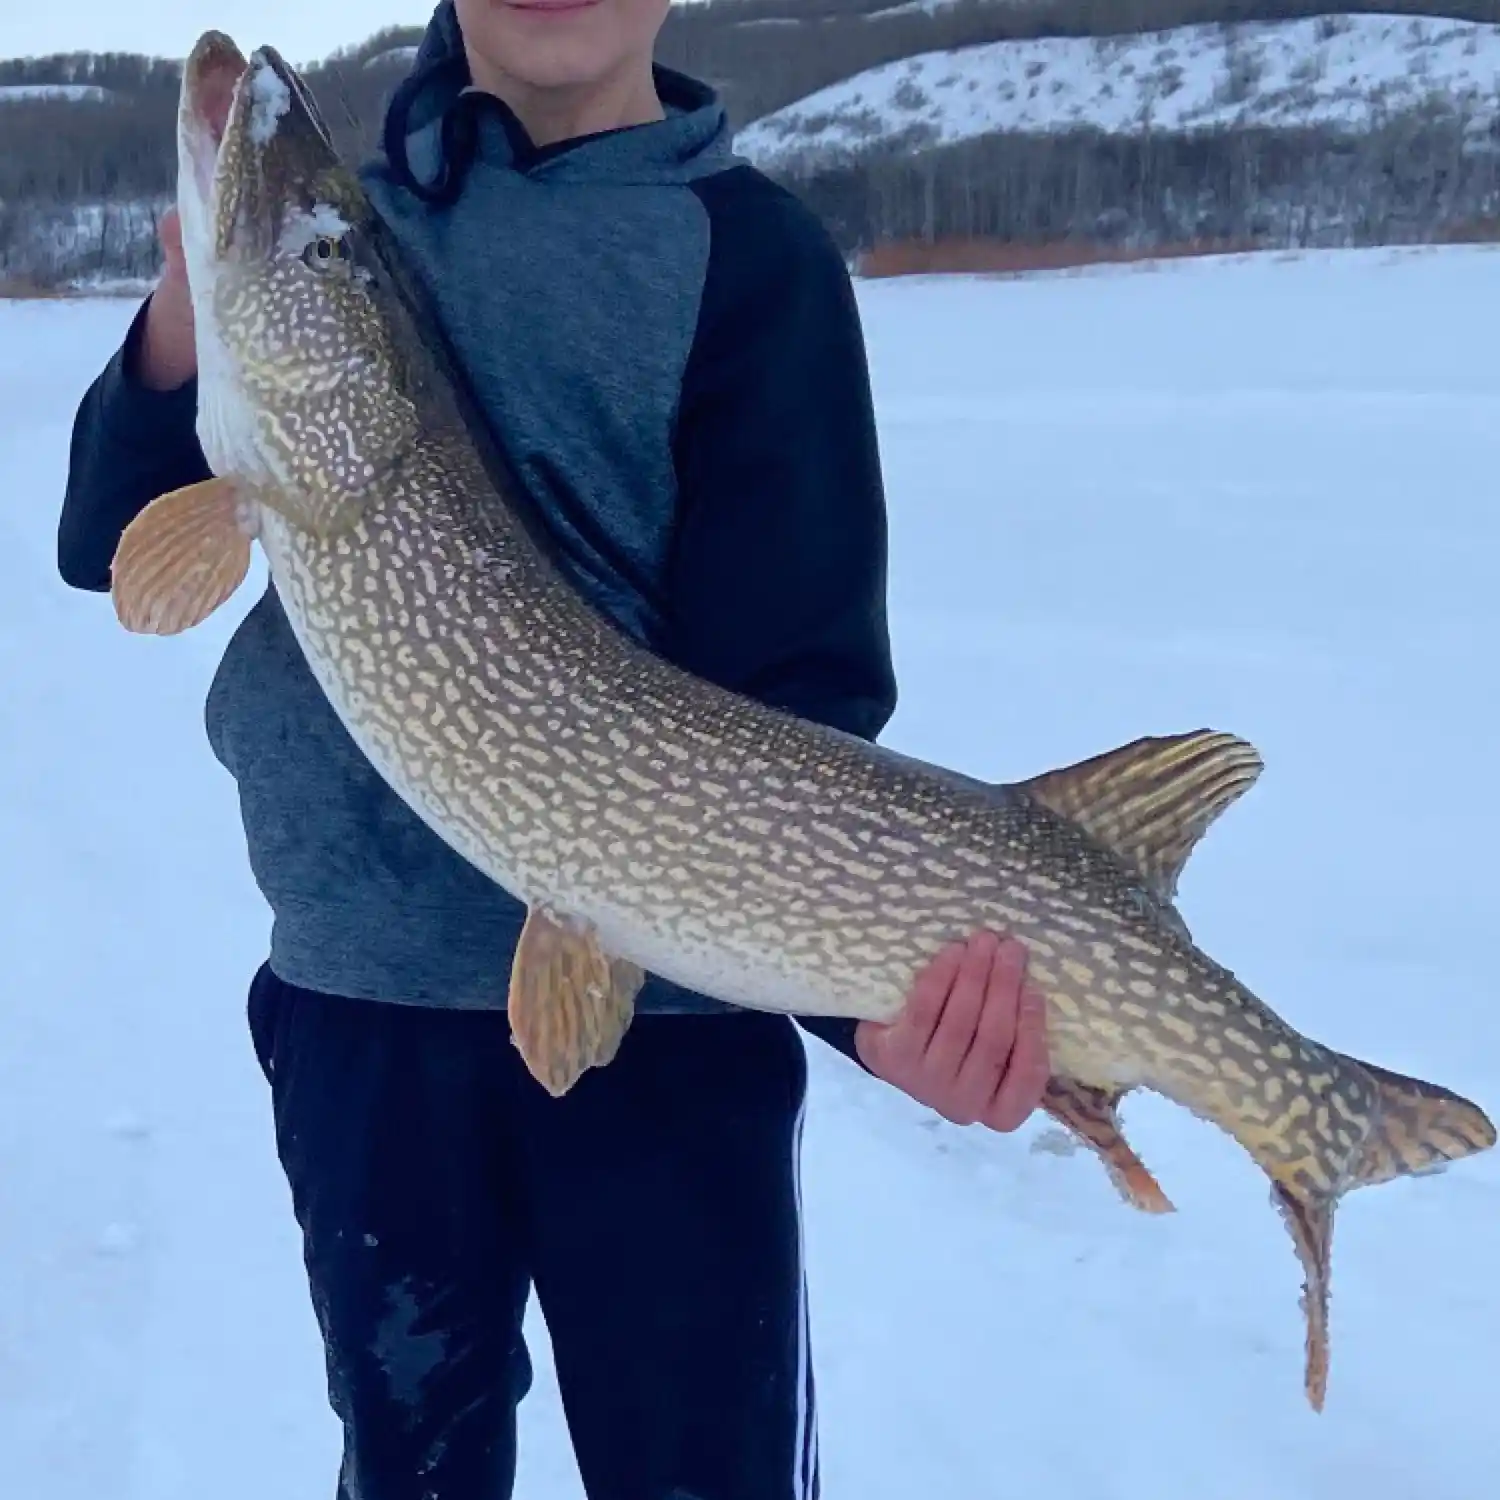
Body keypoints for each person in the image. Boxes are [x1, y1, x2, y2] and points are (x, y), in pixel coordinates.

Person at [57, 3, 1050, 1497]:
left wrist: (873, 1004)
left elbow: (799, 705)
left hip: (672, 1032)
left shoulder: (751, 256)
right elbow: (103, 545)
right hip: (365, 1004)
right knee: (410, 1462)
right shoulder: (363, 232)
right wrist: (197, 310)